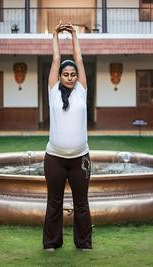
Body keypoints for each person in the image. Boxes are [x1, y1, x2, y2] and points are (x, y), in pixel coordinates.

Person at [43, 21, 92, 251]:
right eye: (66, 74)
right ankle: (52, 243)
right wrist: (55, 34)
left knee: (81, 204)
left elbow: (79, 59)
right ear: (60, 77)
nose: (71, 77)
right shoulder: (53, 92)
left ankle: (83, 243)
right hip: (55, 158)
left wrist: (74, 36)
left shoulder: (81, 92)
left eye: (73, 74)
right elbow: (55, 59)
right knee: (54, 202)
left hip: (80, 158)